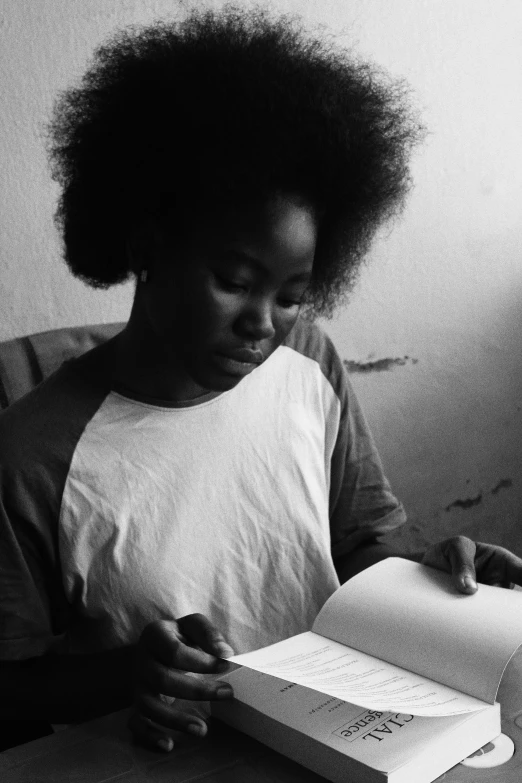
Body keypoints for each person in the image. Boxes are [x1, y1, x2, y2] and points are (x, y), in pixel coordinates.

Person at [1, 4, 521, 754]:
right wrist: (129, 675)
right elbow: (9, 682)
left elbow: (360, 547)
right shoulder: (33, 453)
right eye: (234, 279)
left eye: (290, 293)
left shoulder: (310, 360)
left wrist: (439, 584)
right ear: (148, 246)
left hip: (344, 744)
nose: (264, 322)